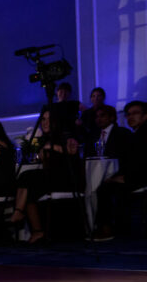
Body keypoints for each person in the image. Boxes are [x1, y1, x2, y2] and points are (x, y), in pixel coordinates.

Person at [10, 108, 83, 244]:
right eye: (43, 119)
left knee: (27, 177)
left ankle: (19, 212)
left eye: (50, 119)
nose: (45, 122)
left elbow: (71, 153)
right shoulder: (45, 139)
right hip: (52, 178)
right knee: (27, 182)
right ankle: (37, 231)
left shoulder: (66, 135)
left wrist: (53, 148)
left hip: (67, 179)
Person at [93, 100, 147, 241]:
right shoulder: (137, 134)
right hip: (136, 176)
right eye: (128, 114)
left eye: (135, 113)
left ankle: (107, 228)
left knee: (104, 188)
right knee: (108, 185)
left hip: (140, 178)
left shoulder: (141, 135)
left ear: (145, 116)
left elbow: (141, 164)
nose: (130, 117)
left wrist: (124, 178)